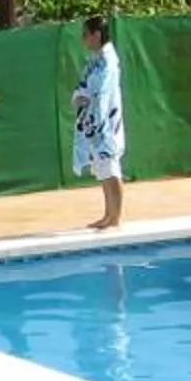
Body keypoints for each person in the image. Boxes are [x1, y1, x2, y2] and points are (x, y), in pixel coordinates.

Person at [73, 15, 127, 230]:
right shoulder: (95, 58)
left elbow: (103, 90)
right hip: (95, 119)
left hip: (106, 120)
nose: (83, 39)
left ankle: (116, 216)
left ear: (96, 35)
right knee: (102, 167)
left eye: (86, 34)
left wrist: (91, 102)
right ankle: (108, 214)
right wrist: (80, 97)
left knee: (111, 167)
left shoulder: (108, 59)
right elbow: (85, 84)